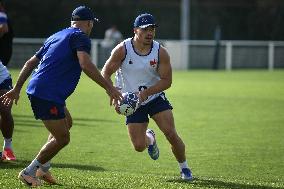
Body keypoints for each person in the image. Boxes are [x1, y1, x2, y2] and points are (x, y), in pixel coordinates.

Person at [0, 5, 122, 187]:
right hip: (46, 93)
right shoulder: (80, 37)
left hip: (43, 90)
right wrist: (109, 88)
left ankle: (43, 168)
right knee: (63, 138)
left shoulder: (57, 35)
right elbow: (85, 64)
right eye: (92, 24)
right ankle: (29, 172)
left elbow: (30, 62)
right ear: (89, 24)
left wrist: (17, 88)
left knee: (67, 122)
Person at [101, 13, 193, 181]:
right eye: (145, 29)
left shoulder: (160, 52)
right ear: (135, 30)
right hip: (130, 102)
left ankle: (185, 168)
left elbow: (167, 81)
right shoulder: (123, 49)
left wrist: (144, 94)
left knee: (171, 134)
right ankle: (150, 138)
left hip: (154, 98)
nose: (149, 33)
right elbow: (105, 72)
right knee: (138, 146)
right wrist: (112, 91)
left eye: (152, 29)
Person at [0, 0, 16, 161]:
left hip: (2, 77)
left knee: (5, 110)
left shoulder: (1, 14)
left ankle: (8, 147)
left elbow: (3, 28)